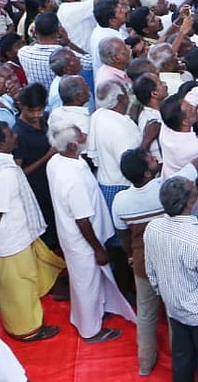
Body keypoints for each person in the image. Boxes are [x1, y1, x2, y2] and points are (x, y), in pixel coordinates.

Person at [0, 122, 64, 342]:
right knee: (22, 286)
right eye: (10, 134)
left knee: (11, 286)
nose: (16, 136)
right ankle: (28, 330)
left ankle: (15, 323)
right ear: (2, 144)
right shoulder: (5, 173)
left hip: (4, 239)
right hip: (11, 240)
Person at [45, 123, 135, 342]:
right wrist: (97, 249)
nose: (86, 135)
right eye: (81, 135)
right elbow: (83, 220)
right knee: (87, 284)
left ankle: (96, 312)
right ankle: (90, 330)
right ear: (73, 145)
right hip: (83, 241)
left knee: (86, 282)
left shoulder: (57, 161)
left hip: (73, 236)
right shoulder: (72, 178)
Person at [144, 176, 198, 382]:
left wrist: (166, 295)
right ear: (190, 202)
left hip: (174, 309)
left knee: (182, 360)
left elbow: (151, 271)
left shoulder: (152, 228)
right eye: (193, 189)